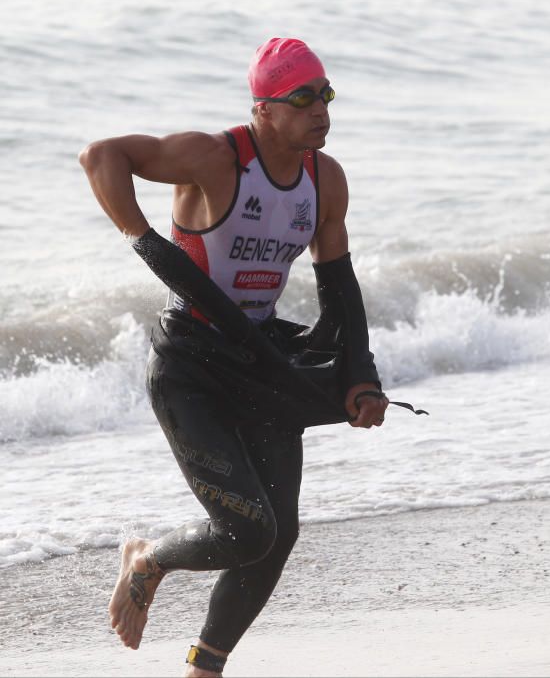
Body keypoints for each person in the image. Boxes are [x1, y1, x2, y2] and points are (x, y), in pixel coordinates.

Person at [79, 37, 389, 677]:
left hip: (256, 357)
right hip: (189, 363)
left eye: (325, 94)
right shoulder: (215, 158)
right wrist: (145, 242)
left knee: (279, 534)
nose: (320, 109)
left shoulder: (324, 180)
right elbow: (100, 157)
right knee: (248, 529)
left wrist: (360, 377)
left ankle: (205, 665)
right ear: (264, 109)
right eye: (302, 97)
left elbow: (339, 286)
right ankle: (147, 560)